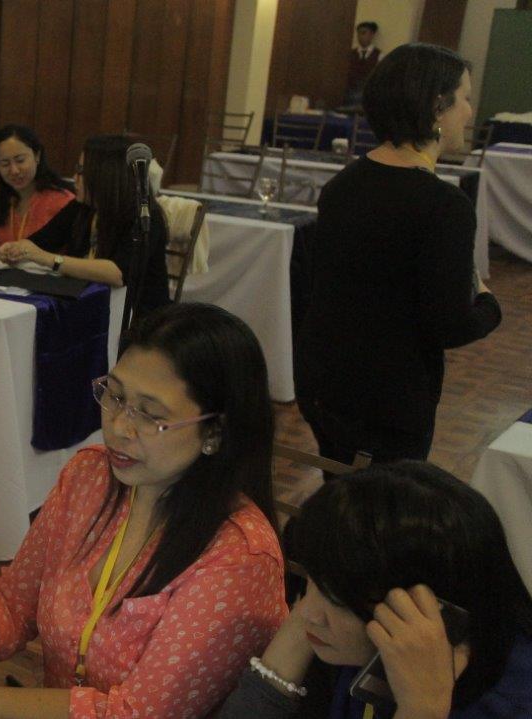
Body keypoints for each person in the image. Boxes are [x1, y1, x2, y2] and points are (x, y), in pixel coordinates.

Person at [0, 303, 287, 719]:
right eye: (115, 396)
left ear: (215, 433)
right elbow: (13, 604)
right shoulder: (91, 479)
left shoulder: (239, 560)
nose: (119, 427)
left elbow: (129, 714)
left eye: (150, 414)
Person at [296, 43, 500, 467]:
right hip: (388, 401)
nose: (469, 111)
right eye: (464, 98)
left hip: (323, 385)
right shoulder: (443, 206)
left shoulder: (343, 185)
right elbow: (449, 325)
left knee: (342, 492)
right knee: (382, 506)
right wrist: (489, 305)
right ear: (437, 107)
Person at [218, 461, 532, 718]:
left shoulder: (510, 705)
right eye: (312, 579)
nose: (306, 613)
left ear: (438, 611)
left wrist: (422, 710)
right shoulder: (356, 650)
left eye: (338, 599)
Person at [0, 134, 172, 317]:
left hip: (137, 318)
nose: (75, 178)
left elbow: (117, 273)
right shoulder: (82, 208)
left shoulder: (144, 216)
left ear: (105, 175)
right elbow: (41, 241)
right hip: (86, 305)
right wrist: (16, 249)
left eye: (81, 171)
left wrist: (49, 259)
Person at [0, 125, 75, 249]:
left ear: (37, 156)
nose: (14, 170)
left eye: (20, 160)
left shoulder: (63, 200)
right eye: (5, 164)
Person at [345, 21, 381, 107]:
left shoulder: (379, 55)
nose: (360, 36)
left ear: (371, 35)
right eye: (358, 33)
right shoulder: (350, 54)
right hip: (350, 94)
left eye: (364, 33)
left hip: (368, 95)